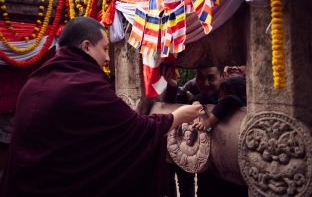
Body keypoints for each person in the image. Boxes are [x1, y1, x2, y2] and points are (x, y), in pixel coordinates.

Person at [0, 17, 205, 197]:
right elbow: (135, 131)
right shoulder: (81, 85)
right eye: (105, 49)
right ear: (86, 47)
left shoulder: (36, 81)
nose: (107, 58)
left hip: (23, 185)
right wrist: (178, 116)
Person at [163, 66, 248, 197]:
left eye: (211, 78)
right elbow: (172, 109)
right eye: (201, 78)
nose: (206, 83)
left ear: (222, 76)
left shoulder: (234, 90)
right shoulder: (197, 91)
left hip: (234, 178)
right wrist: (174, 88)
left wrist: (208, 122)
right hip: (207, 178)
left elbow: (229, 101)